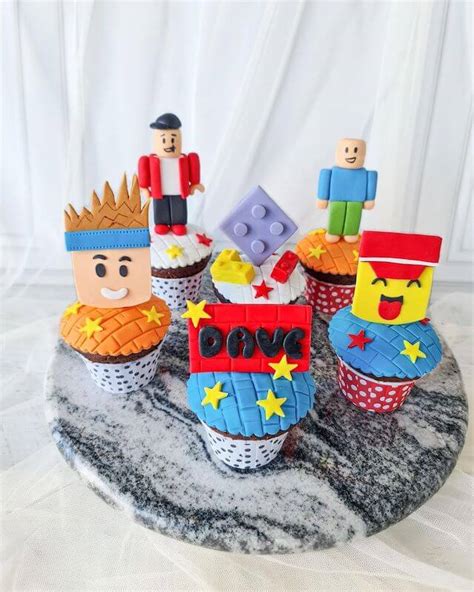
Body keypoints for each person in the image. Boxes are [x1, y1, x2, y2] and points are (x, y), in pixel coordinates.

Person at [138, 113, 205, 235]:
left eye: (173, 139)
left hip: (178, 192)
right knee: (160, 208)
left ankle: (178, 223)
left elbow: (193, 169)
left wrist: (195, 184)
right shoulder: (151, 160)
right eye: (164, 139)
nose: (169, 144)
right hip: (160, 192)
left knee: (179, 208)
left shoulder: (183, 159)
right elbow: (145, 174)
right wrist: (144, 187)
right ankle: (162, 223)